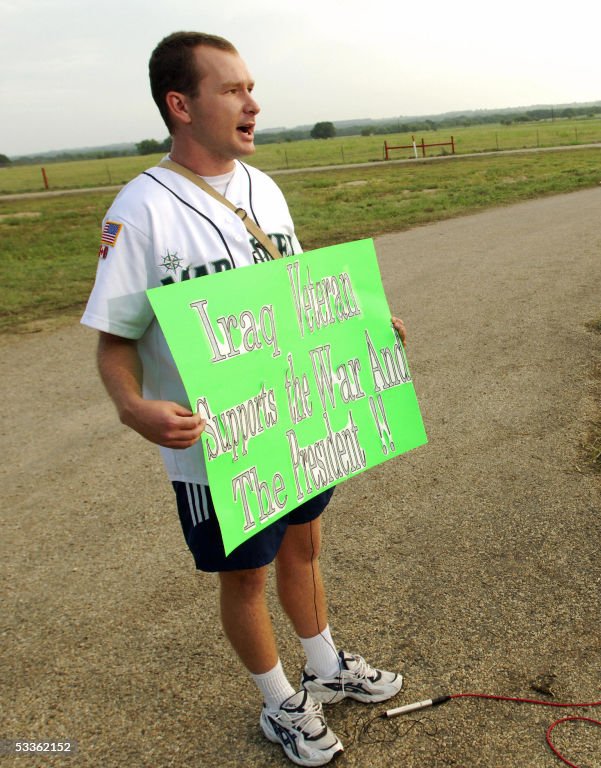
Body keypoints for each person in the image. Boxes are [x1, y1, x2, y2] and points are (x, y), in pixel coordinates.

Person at [81, 31, 403, 767]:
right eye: (232, 90)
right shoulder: (140, 211)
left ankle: (325, 666)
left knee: (306, 541)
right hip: (213, 447)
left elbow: (291, 297)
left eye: (250, 87)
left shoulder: (265, 188)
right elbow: (113, 339)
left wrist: (363, 325)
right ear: (181, 105)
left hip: (291, 421)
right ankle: (280, 704)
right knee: (246, 573)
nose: (252, 102)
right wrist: (134, 408)